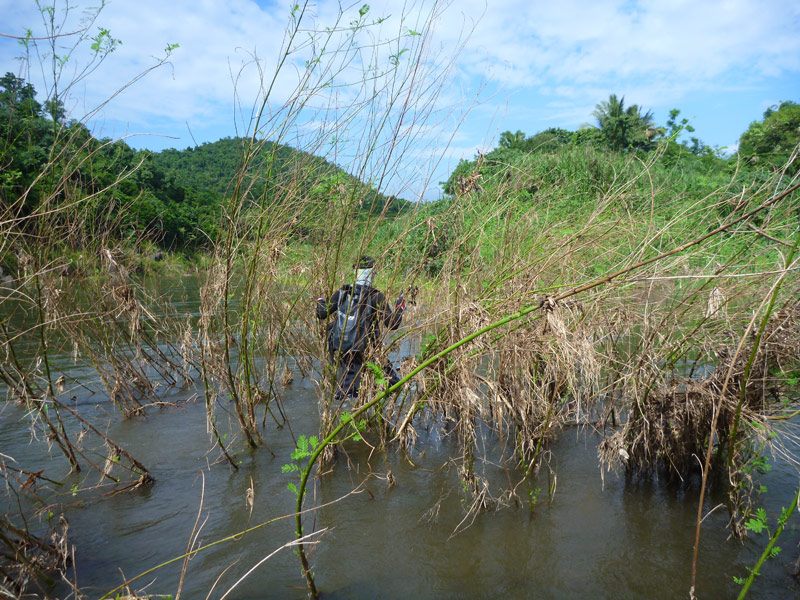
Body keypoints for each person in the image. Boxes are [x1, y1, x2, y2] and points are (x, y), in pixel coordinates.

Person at [316, 255, 405, 403]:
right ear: (372, 274)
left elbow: (321, 313)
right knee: (392, 384)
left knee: (347, 392)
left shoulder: (341, 293)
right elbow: (393, 324)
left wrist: (320, 300)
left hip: (345, 349)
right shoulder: (376, 296)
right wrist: (399, 307)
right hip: (369, 350)